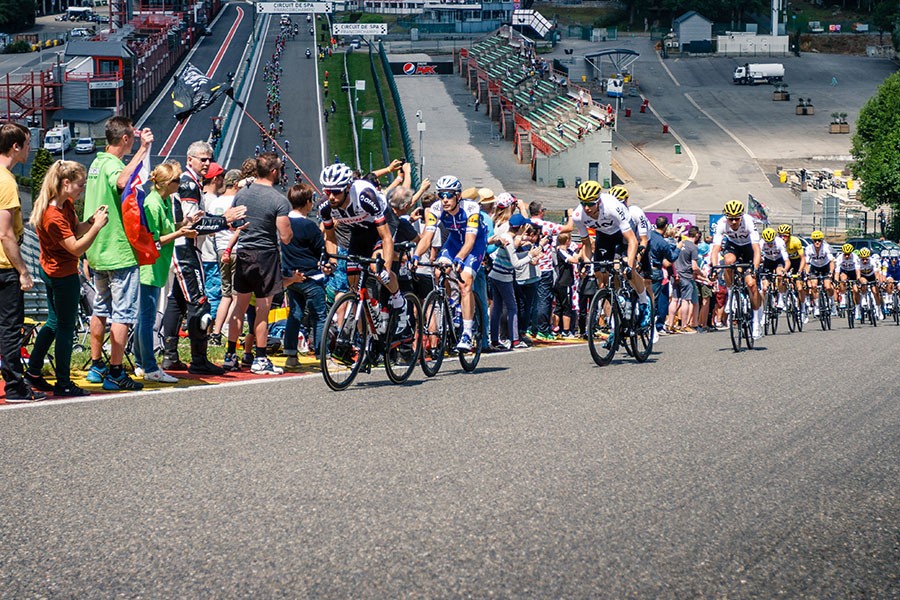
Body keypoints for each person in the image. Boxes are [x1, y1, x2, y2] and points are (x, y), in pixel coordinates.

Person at [24, 161, 107, 397]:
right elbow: (76, 248)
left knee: (53, 322)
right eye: (80, 184)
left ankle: (34, 372)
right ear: (66, 183)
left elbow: (76, 230)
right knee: (65, 327)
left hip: (52, 270)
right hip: (62, 274)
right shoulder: (52, 217)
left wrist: (90, 222)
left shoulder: (63, 205)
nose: (83, 188)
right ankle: (63, 380)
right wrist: (97, 228)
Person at [83, 116, 153, 391]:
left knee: (99, 309)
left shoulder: (96, 162)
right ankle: (115, 370)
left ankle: (96, 364)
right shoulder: (114, 164)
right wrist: (143, 150)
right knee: (122, 313)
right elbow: (123, 182)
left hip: (97, 248)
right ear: (124, 139)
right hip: (118, 250)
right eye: (132, 139)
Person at [162, 141, 244, 376]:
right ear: (190, 160)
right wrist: (223, 220)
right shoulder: (188, 184)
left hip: (183, 248)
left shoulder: (190, 182)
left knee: (177, 300)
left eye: (210, 159)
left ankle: (171, 356)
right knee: (199, 303)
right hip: (184, 249)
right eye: (202, 159)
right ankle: (199, 360)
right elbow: (191, 224)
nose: (207, 163)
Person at [224, 153, 293, 375]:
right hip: (265, 255)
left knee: (239, 306)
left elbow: (233, 223)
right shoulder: (279, 199)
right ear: (274, 172)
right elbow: (285, 237)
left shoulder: (243, 193)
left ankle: (230, 354)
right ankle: (261, 357)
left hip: (244, 251)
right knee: (262, 310)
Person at [319, 162, 407, 333]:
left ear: (347, 188)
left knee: (377, 268)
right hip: (359, 231)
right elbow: (330, 238)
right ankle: (368, 326)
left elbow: (386, 237)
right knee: (354, 285)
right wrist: (332, 262)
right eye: (327, 191)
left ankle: (399, 302)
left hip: (381, 227)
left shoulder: (364, 196)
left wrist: (386, 270)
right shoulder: (325, 206)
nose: (331, 197)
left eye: (336, 192)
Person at [413, 175, 488, 352]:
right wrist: (416, 256)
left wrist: (460, 259)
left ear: (458, 196)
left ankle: (467, 333)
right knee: (439, 271)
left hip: (474, 243)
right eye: (441, 195)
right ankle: (453, 305)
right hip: (454, 242)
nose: (445, 199)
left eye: (449, 195)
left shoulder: (471, 208)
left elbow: (469, 242)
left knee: (465, 281)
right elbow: (427, 238)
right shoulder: (435, 208)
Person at [0, 123, 44, 402]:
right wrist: (23, 271)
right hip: (4, 267)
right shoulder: (7, 182)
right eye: (27, 144)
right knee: (9, 328)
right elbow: (5, 233)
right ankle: (15, 386)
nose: (30, 149)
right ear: (16, 147)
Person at [572, 181, 651, 326]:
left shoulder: (612, 208)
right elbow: (587, 244)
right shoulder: (578, 215)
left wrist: (629, 264)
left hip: (623, 234)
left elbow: (632, 241)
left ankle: (644, 303)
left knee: (629, 270)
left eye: (590, 203)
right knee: (603, 275)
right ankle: (615, 322)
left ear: (599, 200)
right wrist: (588, 264)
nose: (587, 208)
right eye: (583, 203)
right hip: (604, 235)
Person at [281, 183, 326, 368]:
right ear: (307, 202)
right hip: (310, 276)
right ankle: (323, 355)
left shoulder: (284, 222)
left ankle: (291, 354)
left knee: (295, 314)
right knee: (320, 316)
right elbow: (320, 250)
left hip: (291, 276)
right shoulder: (309, 226)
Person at [709, 200, 763, 339]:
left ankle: (756, 321)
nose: (733, 222)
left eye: (736, 218)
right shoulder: (721, 223)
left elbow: (757, 250)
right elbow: (715, 250)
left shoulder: (749, 222)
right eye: (730, 218)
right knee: (728, 261)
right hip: (733, 247)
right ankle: (731, 293)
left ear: (741, 217)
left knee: (751, 284)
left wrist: (754, 269)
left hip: (749, 248)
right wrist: (714, 268)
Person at [211, 169, 241, 345]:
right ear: (237, 184)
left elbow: (211, 232)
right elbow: (241, 227)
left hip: (220, 249)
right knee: (237, 295)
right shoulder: (238, 202)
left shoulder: (215, 202)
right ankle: (228, 329)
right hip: (236, 248)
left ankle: (216, 331)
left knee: (225, 294)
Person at [200, 161, 226, 319]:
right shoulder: (212, 201)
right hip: (211, 254)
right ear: (215, 179)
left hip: (202, 253)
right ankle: (210, 324)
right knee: (214, 293)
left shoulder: (202, 197)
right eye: (221, 177)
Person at [648, 216, 680, 339]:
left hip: (645, 270)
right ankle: (653, 326)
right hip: (656, 271)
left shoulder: (649, 235)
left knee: (644, 298)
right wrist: (678, 248)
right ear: (666, 226)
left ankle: (648, 324)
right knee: (654, 300)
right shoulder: (662, 242)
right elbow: (670, 259)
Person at [804, 230, 835, 318]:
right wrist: (807, 274)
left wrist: (831, 272)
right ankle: (817, 307)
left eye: (819, 240)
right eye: (815, 241)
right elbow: (807, 263)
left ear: (822, 241)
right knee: (813, 286)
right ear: (812, 241)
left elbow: (832, 261)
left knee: (828, 286)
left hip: (825, 266)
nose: (817, 242)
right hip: (815, 267)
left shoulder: (826, 247)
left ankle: (832, 304)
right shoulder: (809, 249)